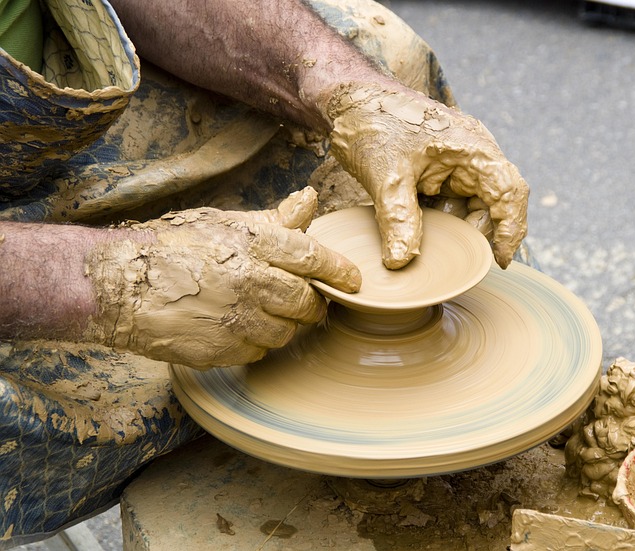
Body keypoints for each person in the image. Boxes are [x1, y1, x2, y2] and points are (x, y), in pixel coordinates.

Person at [0, 0, 529, 546]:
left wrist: (342, 89)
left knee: (383, 63)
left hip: (55, 88)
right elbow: (92, 280)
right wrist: (101, 280)